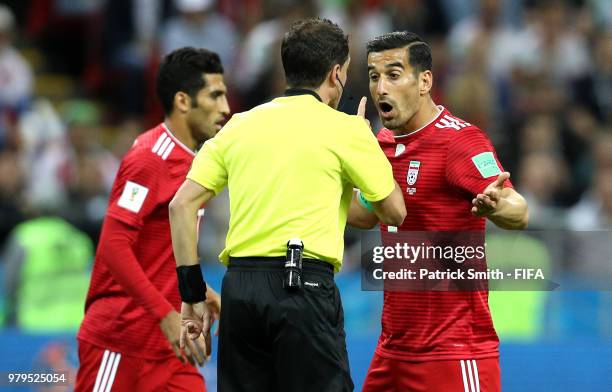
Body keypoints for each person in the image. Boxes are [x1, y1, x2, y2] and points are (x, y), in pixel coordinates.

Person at [169, 18, 406, 392]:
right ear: (336, 73)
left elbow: (181, 206)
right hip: (304, 289)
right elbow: (393, 212)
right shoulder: (347, 131)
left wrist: (191, 294)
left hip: (241, 290)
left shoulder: (239, 125)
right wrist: (366, 150)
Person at [349, 32, 528, 392]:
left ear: (424, 81)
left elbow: (518, 210)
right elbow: (367, 214)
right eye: (374, 76)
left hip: (455, 351)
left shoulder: (459, 141)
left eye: (394, 75)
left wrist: (497, 206)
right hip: (393, 350)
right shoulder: (380, 145)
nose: (381, 88)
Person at [75, 47, 230, 392]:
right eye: (215, 95)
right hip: (121, 342)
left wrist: (202, 293)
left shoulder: (195, 163)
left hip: (169, 351)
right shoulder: (150, 157)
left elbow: (157, 257)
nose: (226, 108)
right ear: (183, 102)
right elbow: (113, 246)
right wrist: (165, 315)